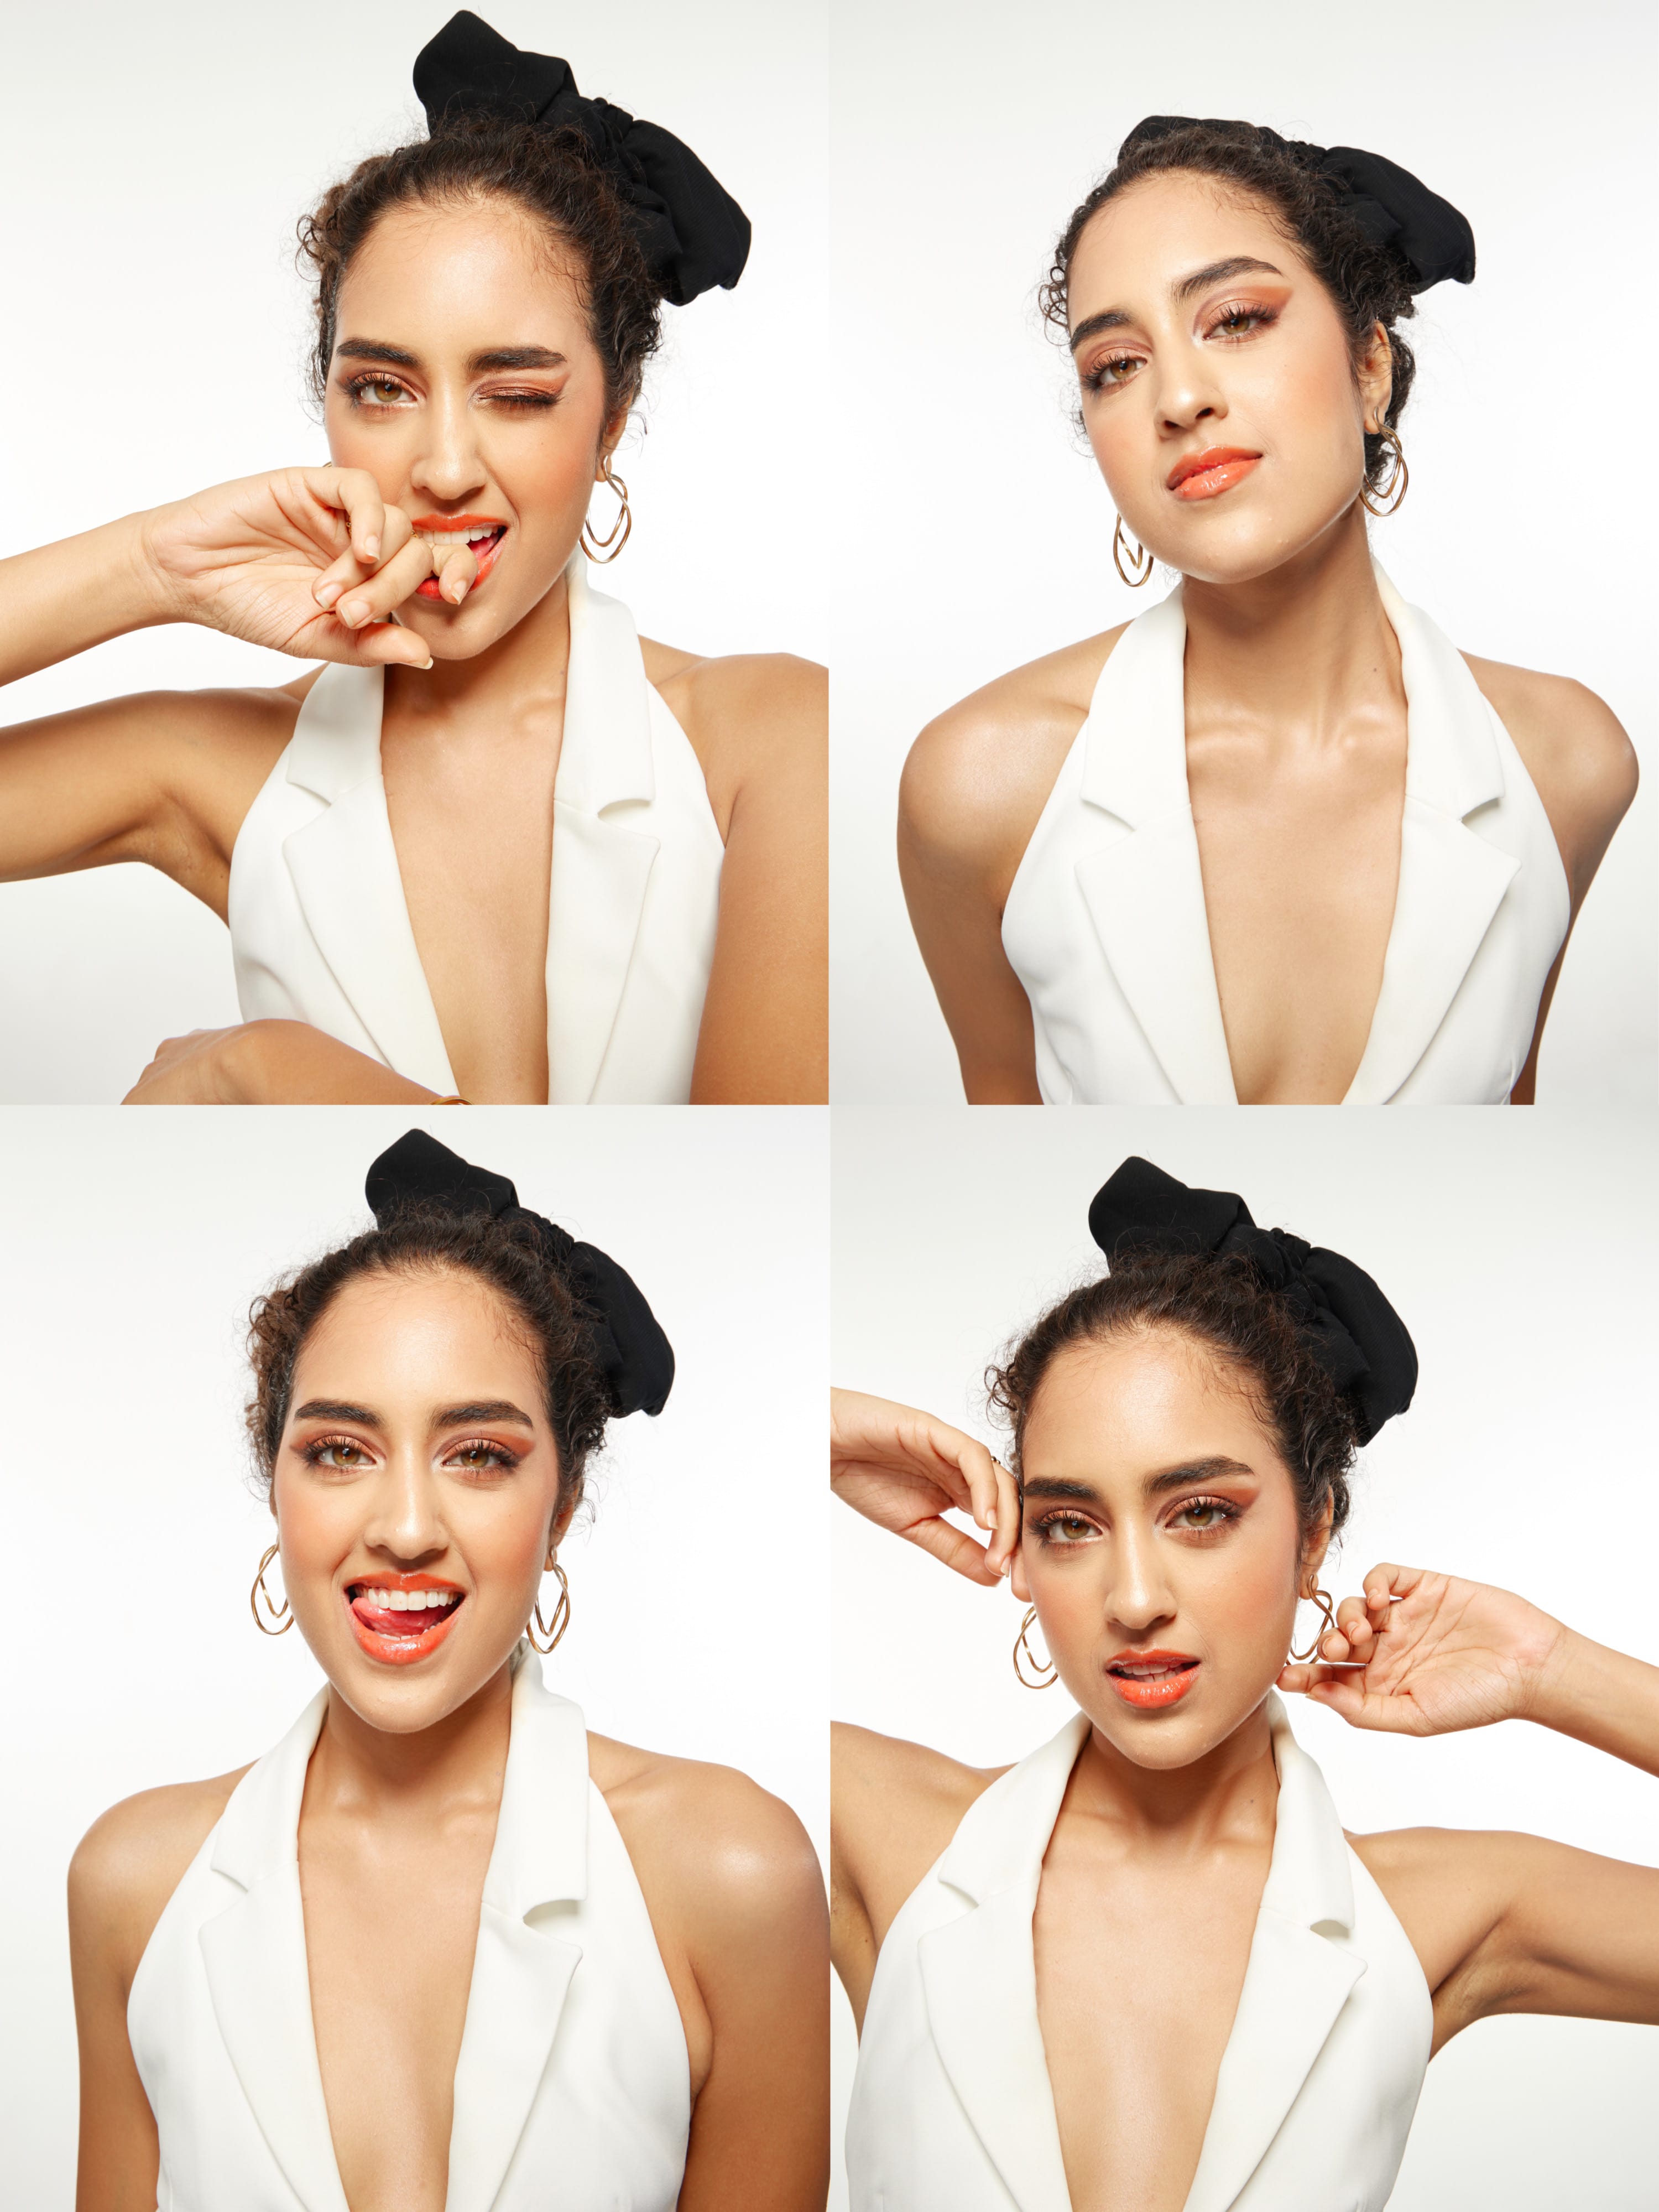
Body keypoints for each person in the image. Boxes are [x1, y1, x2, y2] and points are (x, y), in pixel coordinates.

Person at [0, 13, 826, 1106]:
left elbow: (748, 1173)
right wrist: (156, 569)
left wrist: (278, 1072)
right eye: (383, 388)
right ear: (330, 401)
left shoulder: (768, 738)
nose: (442, 466)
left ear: (612, 415)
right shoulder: (225, 767)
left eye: (518, 393)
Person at [832, 1158, 1659, 2211]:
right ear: (1023, 1548)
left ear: (1314, 1532)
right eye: (1071, 1525)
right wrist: (823, 1434)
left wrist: (1554, 1672)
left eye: (1203, 1512)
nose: (1133, 1597)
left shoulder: (1437, 1913)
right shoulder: (880, 1833)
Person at [69, 1130, 828, 2212]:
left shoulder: (730, 1874)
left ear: (562, 1505)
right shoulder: (133, 1885)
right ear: (274, 1484)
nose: (408, 1527)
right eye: (340, 1449)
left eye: (479, 1453)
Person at [899, 119, 1635, 1105]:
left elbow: (1508, 1104)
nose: (1180, 397)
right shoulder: (982, 787)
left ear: (1371, 367)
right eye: (1115, 365)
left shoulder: (1568, 763)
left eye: (1236, 318)